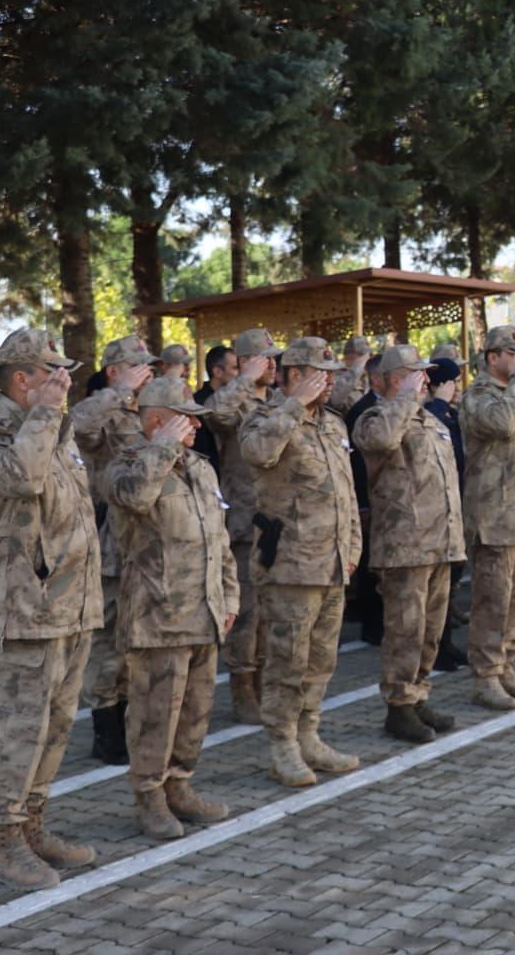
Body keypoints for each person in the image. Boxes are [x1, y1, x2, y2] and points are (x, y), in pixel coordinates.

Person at [0, 328, 99, 890]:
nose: (63, 383)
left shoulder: (53, 431)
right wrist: (44, 417)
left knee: (56, 728)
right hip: (24, 608)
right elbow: (22, 480)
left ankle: (34, 826)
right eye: (53, 373)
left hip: (70, 605)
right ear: (23, 379)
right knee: (20, 729)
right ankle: (4, 843)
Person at [107, 377, 237, 839]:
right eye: (187, 418)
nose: (197, 426)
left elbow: (218, 539)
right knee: (154, 713)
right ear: (158, 420)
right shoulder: (127, 464)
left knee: (196, 709)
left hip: (203, 610)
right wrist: (160, 449)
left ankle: (180, 786)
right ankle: (149, 796)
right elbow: (134, 497)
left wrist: (229, 596)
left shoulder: (200, 467)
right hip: (157, 615)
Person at [239, 337, 362, 787]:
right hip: (291, 565)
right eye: (318, 373)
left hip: (330, 564)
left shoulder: (332, 424)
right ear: (292, 375)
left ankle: (309, 735)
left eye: (330, 373)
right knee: (287, 660)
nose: (329, 381)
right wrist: (293, 405)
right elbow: (258, 453)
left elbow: (346, 493)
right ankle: (282, 746)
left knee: (321, 660)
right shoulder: (264, 417)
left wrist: (351, 550)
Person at [352, 345, 465, 744]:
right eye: (416, 373)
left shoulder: (426, 419)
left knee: (431, 629)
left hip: (440, 541)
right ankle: (398, 706)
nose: (424, 380)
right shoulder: (375, 416)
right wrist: (402, 399)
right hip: (405, 545)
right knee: (405, 629)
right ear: (397, 379)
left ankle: (418, 694)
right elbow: (381, 441)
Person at [70, 334, 158, 764]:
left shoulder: (152, 409)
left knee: (140, 638)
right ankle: (106, 728)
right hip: (113, 544)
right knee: (108, 640)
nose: (147, 372)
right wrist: (119, 393)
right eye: (137, 365)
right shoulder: (104, 409)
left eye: (149, 366)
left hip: (152, 541)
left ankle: (131, 718)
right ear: (113, 371)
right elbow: (77, 425)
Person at [460, 325, 515, 710]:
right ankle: (486, 676)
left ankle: (508, 665)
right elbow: (502, 425)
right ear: (493, 357)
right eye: (512, 352)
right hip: (495, 517)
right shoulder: (479, 395)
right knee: (492, 601)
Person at [203, 327, 280, 724]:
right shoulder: (236, 400)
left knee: (270, 611)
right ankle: (242, 686)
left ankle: (266, 679)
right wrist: (244, 379)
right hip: (246, 521)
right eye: (265, 359)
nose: (273, 366)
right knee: (247, 612)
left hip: (277, 522)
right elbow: (215, 414)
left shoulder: (281, 401)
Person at [423, 357, 471, 672]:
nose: (458, 388)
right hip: (433, 514)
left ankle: (446, 643)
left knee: (449, 586)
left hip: (455, 506)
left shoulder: (450, 414)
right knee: (434, 591)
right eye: (453, 381)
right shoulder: (431, 414)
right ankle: (434, 648)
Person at [342, 354, 384, 646]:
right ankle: (372, 627)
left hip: (386, 499)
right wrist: (363, 503)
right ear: (376, 378)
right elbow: (356, 462)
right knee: (370, 567)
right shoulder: (363, 410)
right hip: (368, 497)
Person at [192, 345, 235, 474]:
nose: (241, 374)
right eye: (235, 368)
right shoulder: (196, 404)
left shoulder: (239, 400)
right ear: (217, 372)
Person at [327, 335, 373, 415]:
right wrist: (357, 368)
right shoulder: (336, 377)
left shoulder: (367, 379)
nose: (367, 360)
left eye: (369, 355)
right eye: (362, 356)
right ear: (346, 358)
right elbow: (334, 399)